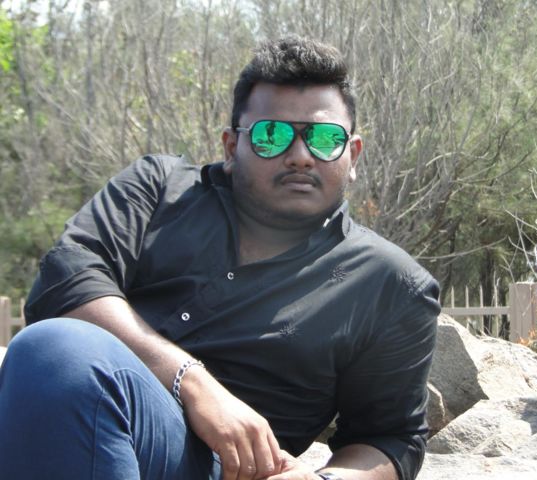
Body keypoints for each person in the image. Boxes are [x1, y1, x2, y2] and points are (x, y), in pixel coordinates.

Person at [0, 36, 440, 480]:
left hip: (227, 471)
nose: (301, 157)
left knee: (57, 351)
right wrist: (190, 381)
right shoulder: (156, 191)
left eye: (325, 138)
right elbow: (65, 279)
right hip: (86, 431)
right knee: (56, 352)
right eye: (272, 135)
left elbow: (392, 438)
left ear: (353, 154)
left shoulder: (390, 284)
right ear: (231, 148)